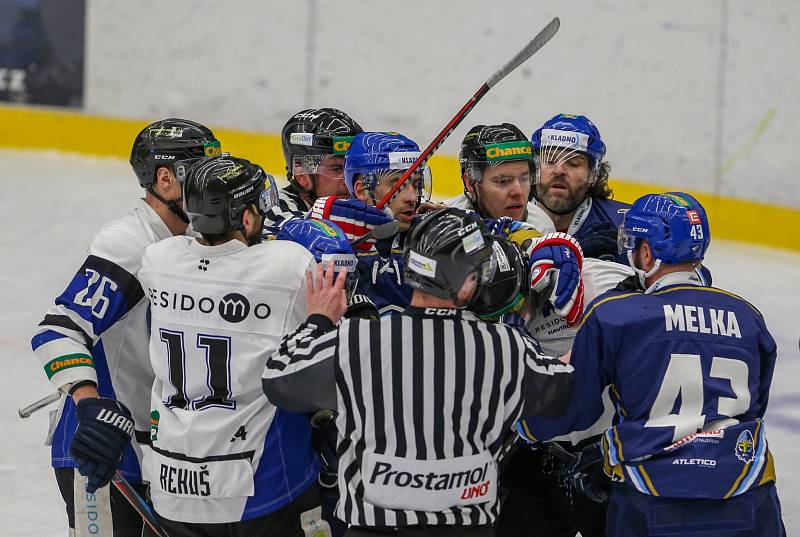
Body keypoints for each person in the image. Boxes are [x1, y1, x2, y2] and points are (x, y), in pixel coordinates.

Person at [262, 208, 574, 536]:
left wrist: (320, 319)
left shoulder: (354, 341)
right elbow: (564, 389)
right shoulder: (505, 348)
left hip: (373, 528)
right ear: (468, 285)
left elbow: (280, 380)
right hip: (466, 528)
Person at [519, 192, 785, 537]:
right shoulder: (748, 317)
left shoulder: (615, 315)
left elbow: (574, 409)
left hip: (651, 494)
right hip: (748, 490)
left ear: (647, 253)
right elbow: (755, 404)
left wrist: (522, 423)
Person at [30, 118, 222, 536]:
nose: (214, 184)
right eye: (201, 173)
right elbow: (60, 329)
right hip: (106, 447)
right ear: (165, 179)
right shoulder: (129, 242)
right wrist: (89, 404)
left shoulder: (201, 239)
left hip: (170, 450)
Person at [137, 155, 327, 536]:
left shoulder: (159, 259)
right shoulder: (287, 265)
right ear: (245, 217)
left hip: (170, 484)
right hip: (257, 485)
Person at [309, 131, 433, 315]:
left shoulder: (427, 240)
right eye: (396, 185)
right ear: (361, 190)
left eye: (415, 184)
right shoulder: (329, 236)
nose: (412, 197)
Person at [531, 113, 629, 262]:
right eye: (549, 160)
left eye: (574, 163)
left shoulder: (622, 225)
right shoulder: (507, 220)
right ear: (534, 168)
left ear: (593, 174)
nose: (559, 171)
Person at [263, 107, 363, 235]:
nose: (350, 180)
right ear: (302, 174)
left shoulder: (364, 197)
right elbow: (300, 232)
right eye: (337, 169)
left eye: (354, 166)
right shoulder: (277, 207)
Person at [448, 123, 554, 232]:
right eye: (503, 181)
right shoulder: (446, 226)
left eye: (524, 179)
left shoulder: (543, 228)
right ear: (470, 182)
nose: (518, 192)